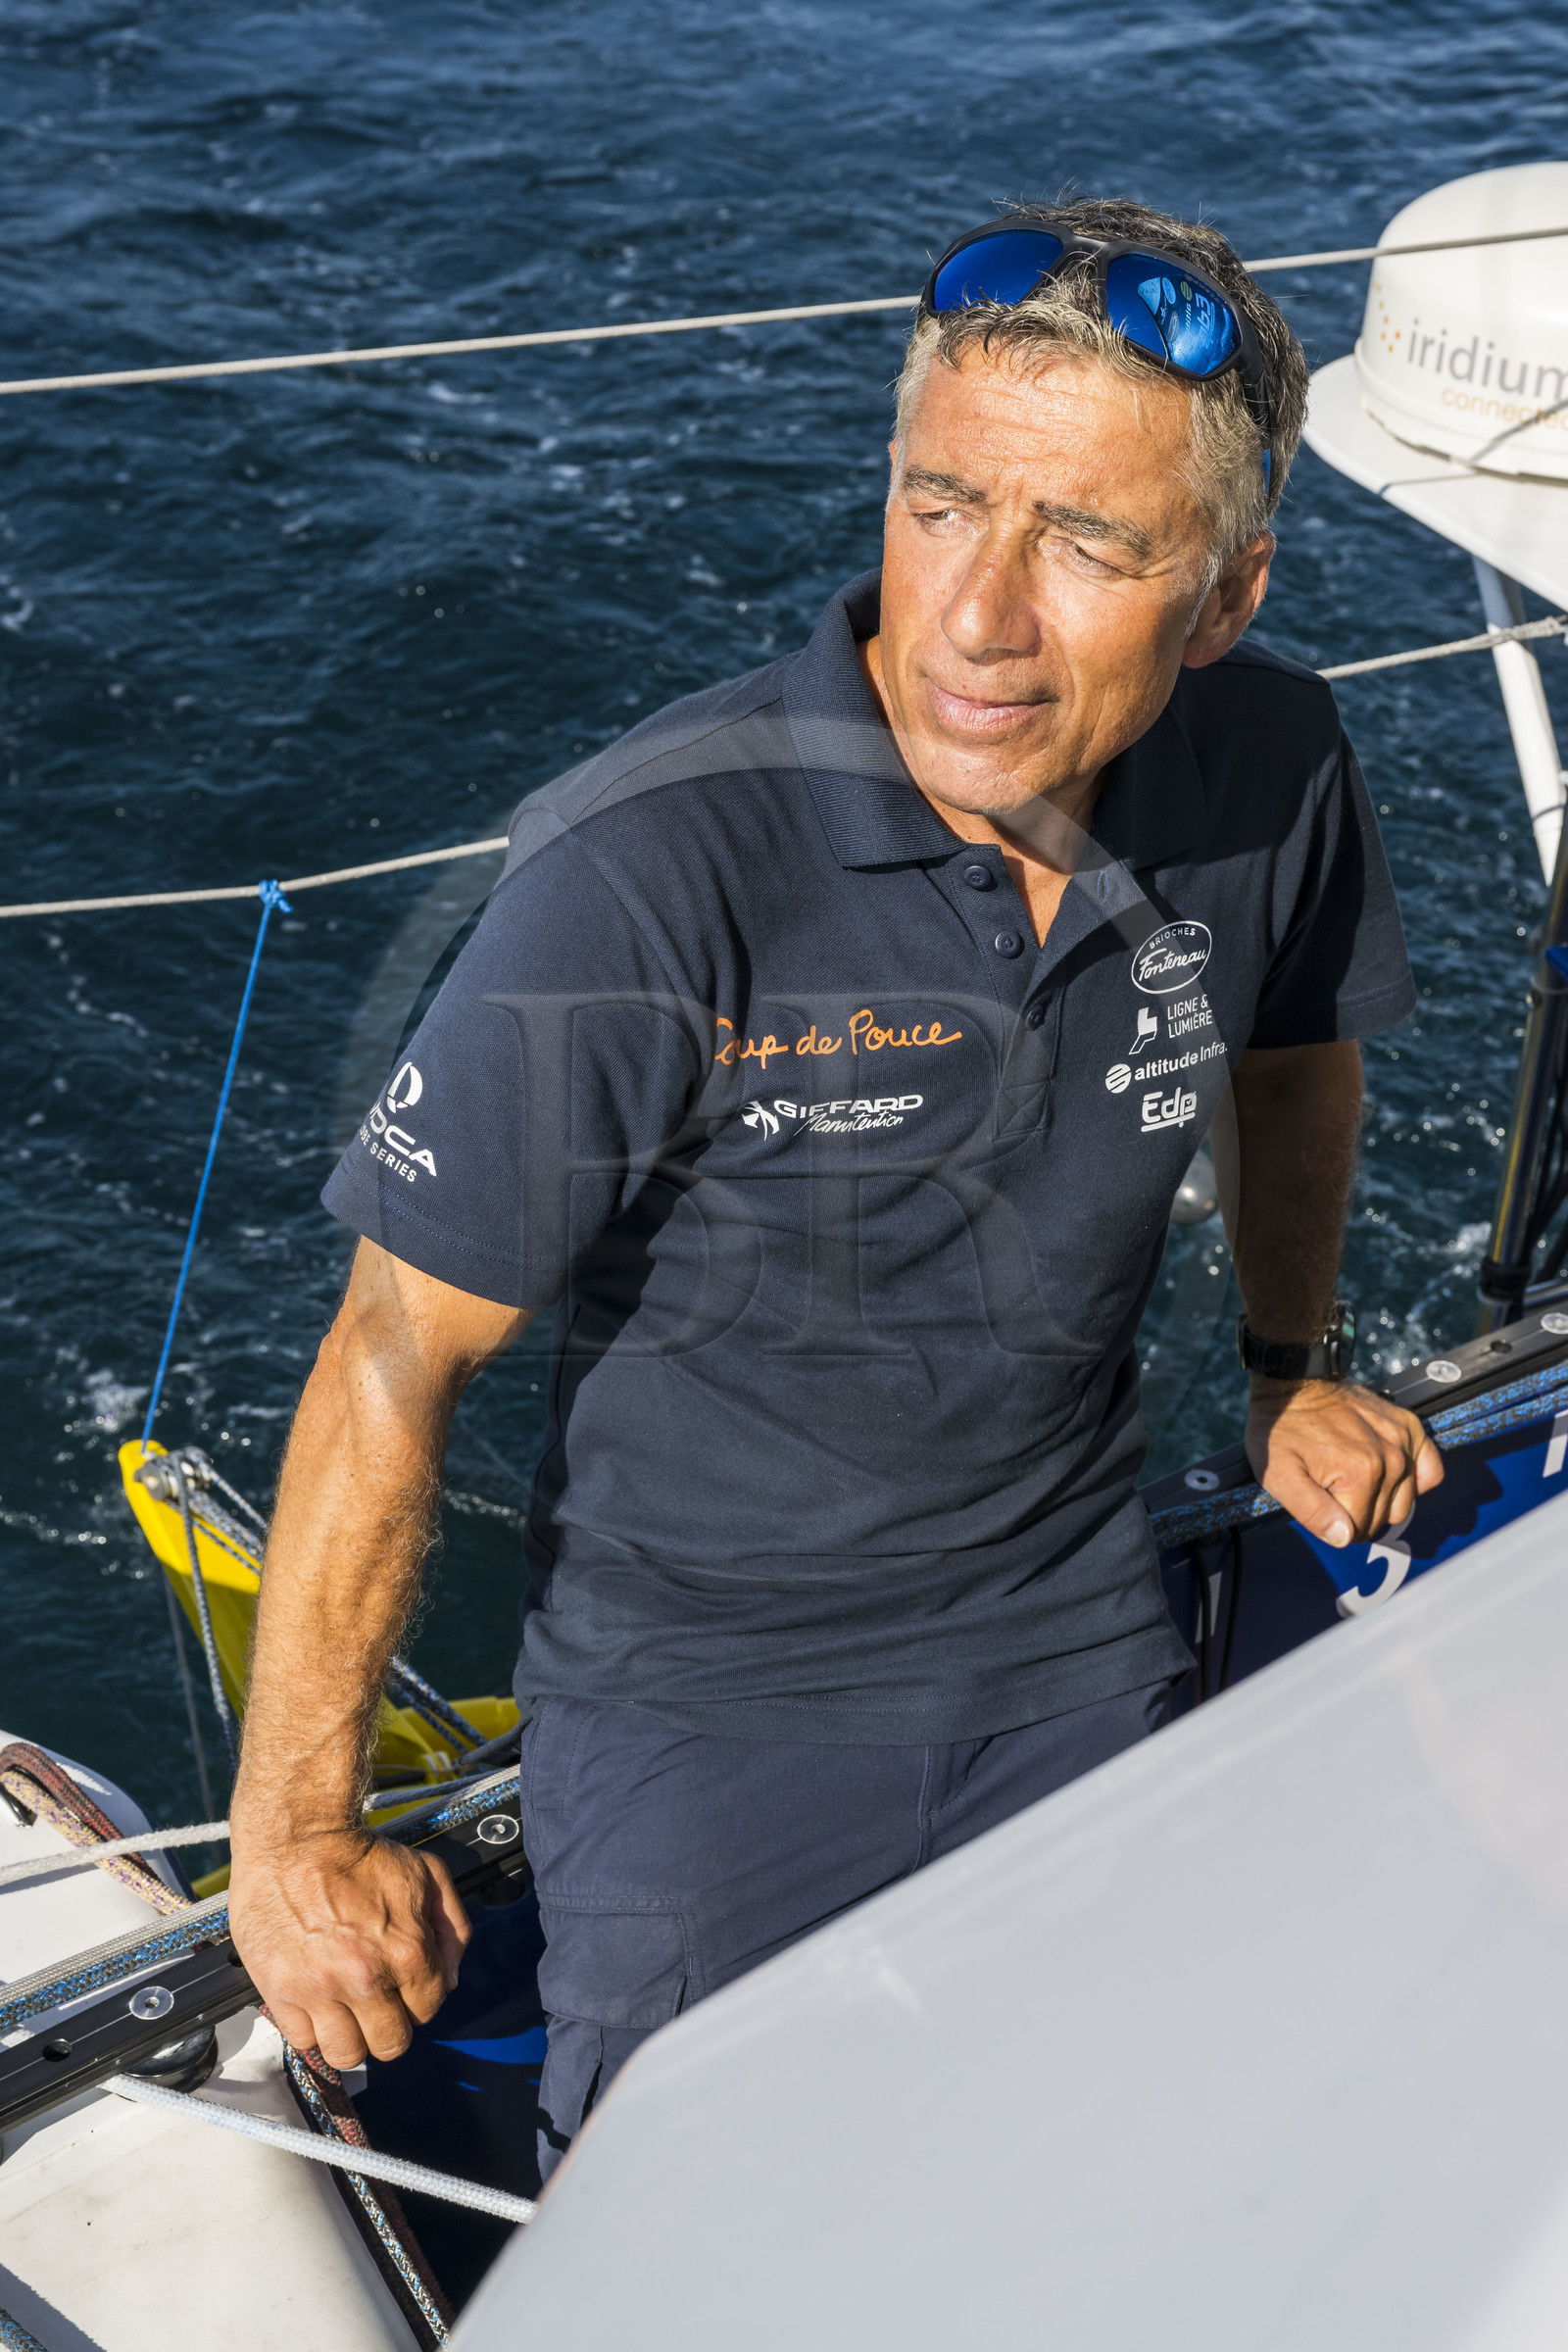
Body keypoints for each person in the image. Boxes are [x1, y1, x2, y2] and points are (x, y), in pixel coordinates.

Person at [228, 196, 1443, 2180]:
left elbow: (1295, 1054)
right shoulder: (648, 866)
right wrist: (294, 1838)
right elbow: (393, 1347)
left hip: (1078, 1645)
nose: (973, 614)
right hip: (710, 1716)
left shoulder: (1274, 766)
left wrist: (1282, 1364)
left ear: (1223, 597)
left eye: (1085, 541)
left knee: (1116, 2202)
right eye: (941, 503)